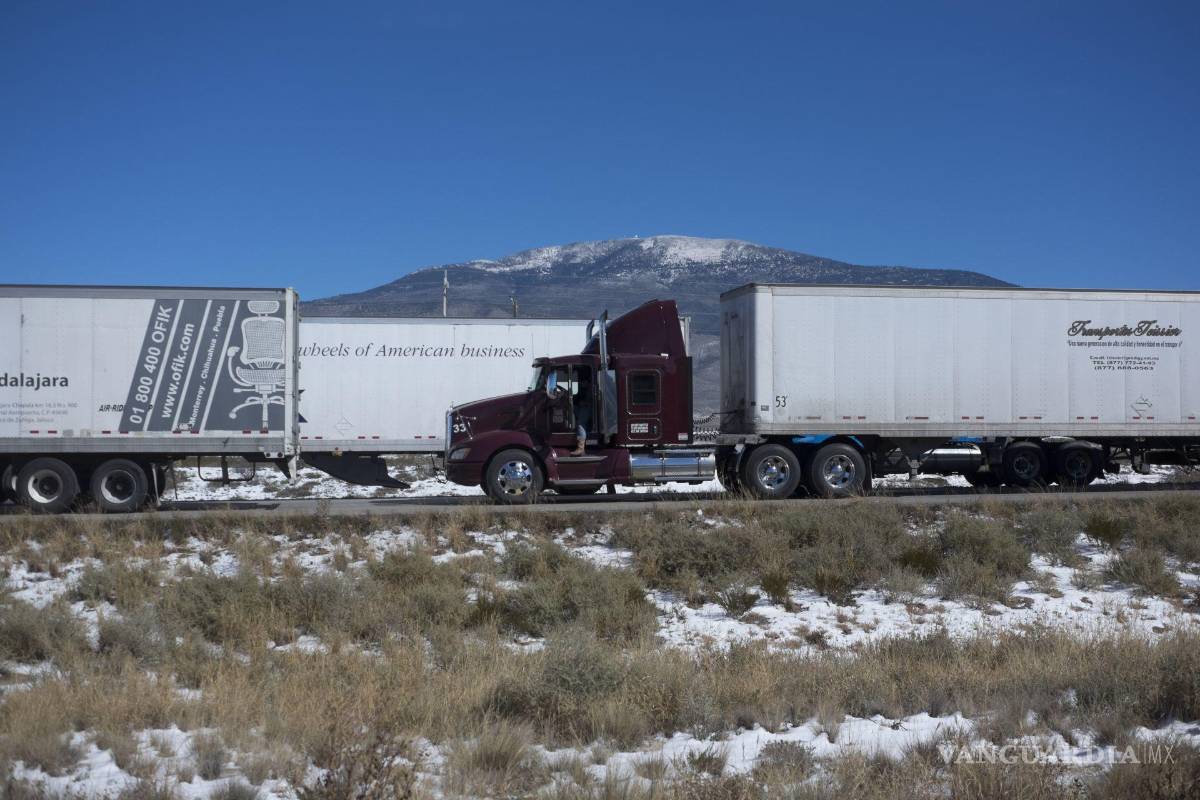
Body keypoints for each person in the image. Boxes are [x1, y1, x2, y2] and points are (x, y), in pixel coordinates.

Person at [571, 370, 592, 456]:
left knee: (581, 423)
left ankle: (580, 447)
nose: (581, 383)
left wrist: (584, 403)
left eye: (583, 381)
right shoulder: (585, 389)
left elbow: (595, 402)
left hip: (589, 409)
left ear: (587, 381)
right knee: (570, 408)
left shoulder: (592, 388)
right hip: (584, 407)